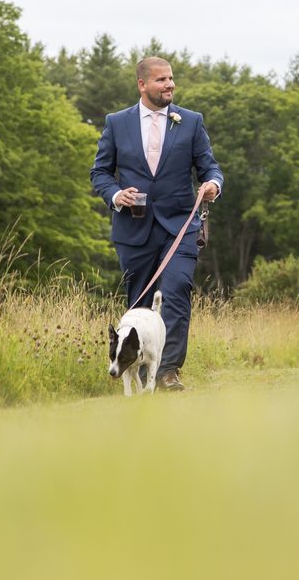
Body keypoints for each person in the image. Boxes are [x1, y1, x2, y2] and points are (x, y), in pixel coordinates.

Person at [90, 56, 223, 390]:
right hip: (133, 230)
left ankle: (167, 372)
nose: (170, 85)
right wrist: (116, 194)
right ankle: (135, 371)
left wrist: (212, 185)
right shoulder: (116, 123)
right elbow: (100, 172)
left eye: (171, 79)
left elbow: (210, 167)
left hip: (180, 226)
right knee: (139, 305)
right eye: (162, 80)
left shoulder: (190, 122)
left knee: (176, 291)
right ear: (142, 85)